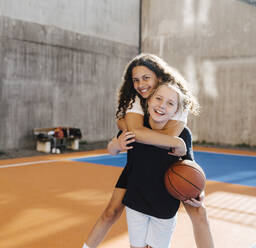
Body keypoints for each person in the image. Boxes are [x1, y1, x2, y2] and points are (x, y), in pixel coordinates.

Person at [83, 54, 213, 248]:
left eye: (146, 78)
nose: (141, 84)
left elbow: (188, 160)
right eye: (136, 79)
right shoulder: (135, 104)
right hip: (138, 170)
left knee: (198, 211)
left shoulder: (177, 106)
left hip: (168, 172)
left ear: (159, 77)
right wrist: (120, 140)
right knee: (111, 212)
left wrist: (197, 187)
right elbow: (122, 133)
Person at [123, 82, 198, 247]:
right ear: (149, 100)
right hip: (136, 200)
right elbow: (114, 145)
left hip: (165, 205)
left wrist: (199, 191)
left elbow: (190, 167)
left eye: (170, 103)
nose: (162, 105)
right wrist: (116, 145)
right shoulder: (137, 126)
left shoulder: (183, 133)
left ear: (176, 111)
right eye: (158, 98)